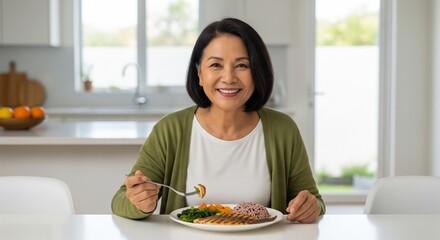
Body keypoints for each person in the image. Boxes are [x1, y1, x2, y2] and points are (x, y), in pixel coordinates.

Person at [111, 17, 325, 223]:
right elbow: (120, 201)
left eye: (242, 65)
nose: (229, 77)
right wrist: (139, 202)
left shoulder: (282, 129)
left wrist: (309, 207)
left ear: (257, 71)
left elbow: (314, 201)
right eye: (215, 65)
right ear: (199, 73)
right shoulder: (171, 130)